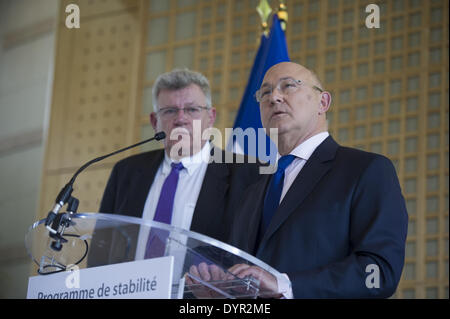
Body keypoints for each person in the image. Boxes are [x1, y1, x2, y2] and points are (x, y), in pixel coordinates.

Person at [223, 62, 409, 298]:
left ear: (323, 103)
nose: (274, 97)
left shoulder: (366, 170)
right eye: (266, 92)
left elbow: (379, 272)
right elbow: (244, 271)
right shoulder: (252, 192)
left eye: (288, 86)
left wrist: (286, 286)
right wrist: (220, 285)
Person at [97, 68, 260, 259]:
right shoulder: (125, 172)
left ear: (211, 118)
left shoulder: (248, 175)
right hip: (130, 288)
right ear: (154, 121)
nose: (181, 119)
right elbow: (101, 251)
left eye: (192, 109)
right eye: (169, 111)